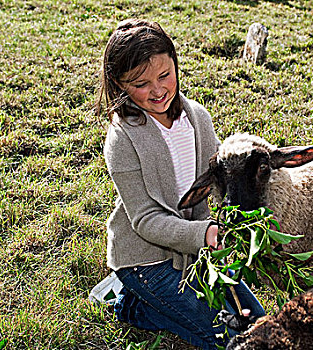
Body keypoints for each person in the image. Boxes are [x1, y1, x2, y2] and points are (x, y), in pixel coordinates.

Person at [95, 19, 265, 349]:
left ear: (175, 62)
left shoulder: (197, 118)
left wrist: (236, 223)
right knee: (227, 337)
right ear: (119, 84)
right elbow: (145, 220)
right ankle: (131, 301)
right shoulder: (123, 139)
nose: (158, 90)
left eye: (164, 75)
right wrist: (203, 234)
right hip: (146, 259)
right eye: (141, 84)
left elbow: (211, 182)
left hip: (197, 250)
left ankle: (152, 304)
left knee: (255, 321)